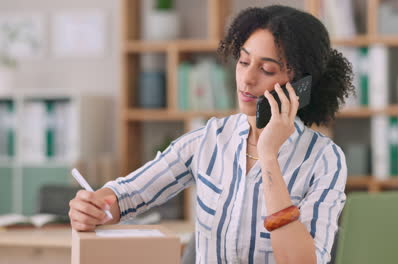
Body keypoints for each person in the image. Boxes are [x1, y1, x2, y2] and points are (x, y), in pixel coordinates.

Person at [68, 5, 354, 264]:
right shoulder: (210, 139)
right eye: (243, 62)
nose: (247, 79)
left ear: (301, 86)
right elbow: (128, 195)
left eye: (266, 69)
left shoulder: (324, 160)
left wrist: (268, 156)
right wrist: (94, 207)